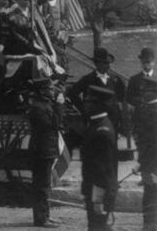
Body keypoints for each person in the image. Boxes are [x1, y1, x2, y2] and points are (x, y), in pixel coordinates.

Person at [127, 48, 157, 230]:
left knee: (151, 185)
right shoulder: (134, 80)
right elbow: (129, 101)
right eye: (144, 62)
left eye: (149, 61)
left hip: (150, 134)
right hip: (142, 127)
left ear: (153, 62)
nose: (146, 64)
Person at [81, 85, 119, 230]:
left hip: (99, 191)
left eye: (89, 101)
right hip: (94, 188)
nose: (85, 104)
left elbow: (103, 170)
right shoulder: (97, 125)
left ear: (98, 105)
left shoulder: (101, 131)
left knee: (98, 226)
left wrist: (98, 200)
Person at [27, 77, 62, 228]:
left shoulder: (45, 104)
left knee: (45, 184)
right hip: (41, 151)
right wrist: (60, 106)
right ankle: (41, 219)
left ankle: (45, 215)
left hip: (47, 150)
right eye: (49, 88)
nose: (52, 91)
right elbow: (53, 125)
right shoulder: (37, 108)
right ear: (42, 91)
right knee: (41, 186)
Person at [67, 48, 126, 134]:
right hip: (95, 120)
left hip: (113, 120)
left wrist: (120, 117)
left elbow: (122, 97)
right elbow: (72, 93)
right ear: (98, 64)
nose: (109, 66)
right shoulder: (87, 79)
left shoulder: (116, 80)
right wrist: (83, 109)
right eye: (105, 63)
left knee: (112, 145)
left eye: (108, 63)